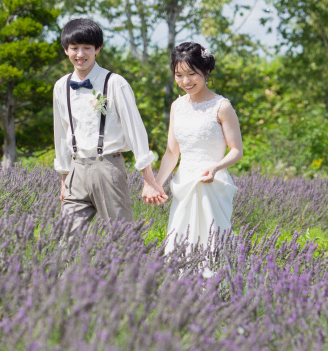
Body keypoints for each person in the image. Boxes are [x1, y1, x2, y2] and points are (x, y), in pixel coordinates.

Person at [53, 18, 167, 237]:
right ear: (66, 50)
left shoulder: (115, 83)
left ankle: (141, 272)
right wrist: (64, 179)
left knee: (122, 239)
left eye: (87, 48)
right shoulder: (61, 86)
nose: (80, 54)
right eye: (74, 48)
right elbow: (62, 133)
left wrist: (149, 180)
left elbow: (135, 130)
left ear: (98, 49)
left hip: (108, 167)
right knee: (66, 241)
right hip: (76, 170)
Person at [154, 42, 243, 254]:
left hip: (211, 183)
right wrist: (156, 184)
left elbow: (236, 150)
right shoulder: (177, 106)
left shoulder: (222, 106)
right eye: (179, 75)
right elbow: (172, 152)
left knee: (211, 245)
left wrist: (215, 168)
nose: (185, 81)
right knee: (180, 243)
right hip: (184, 183)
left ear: (206, 70)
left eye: (191, 74)